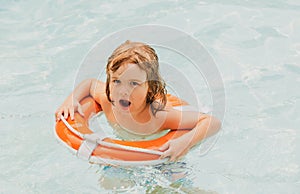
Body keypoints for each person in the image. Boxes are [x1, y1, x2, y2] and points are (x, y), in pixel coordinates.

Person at [55, 40, 221, 162]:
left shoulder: (157, 115)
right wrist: (72, 100)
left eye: (134, 83)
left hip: (162, 159)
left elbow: (211, 122)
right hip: (128, 152)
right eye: (116, 81)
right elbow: (90, 84)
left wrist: (185, 142)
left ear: (150, 87)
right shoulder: (107, 99)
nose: (123, 90)